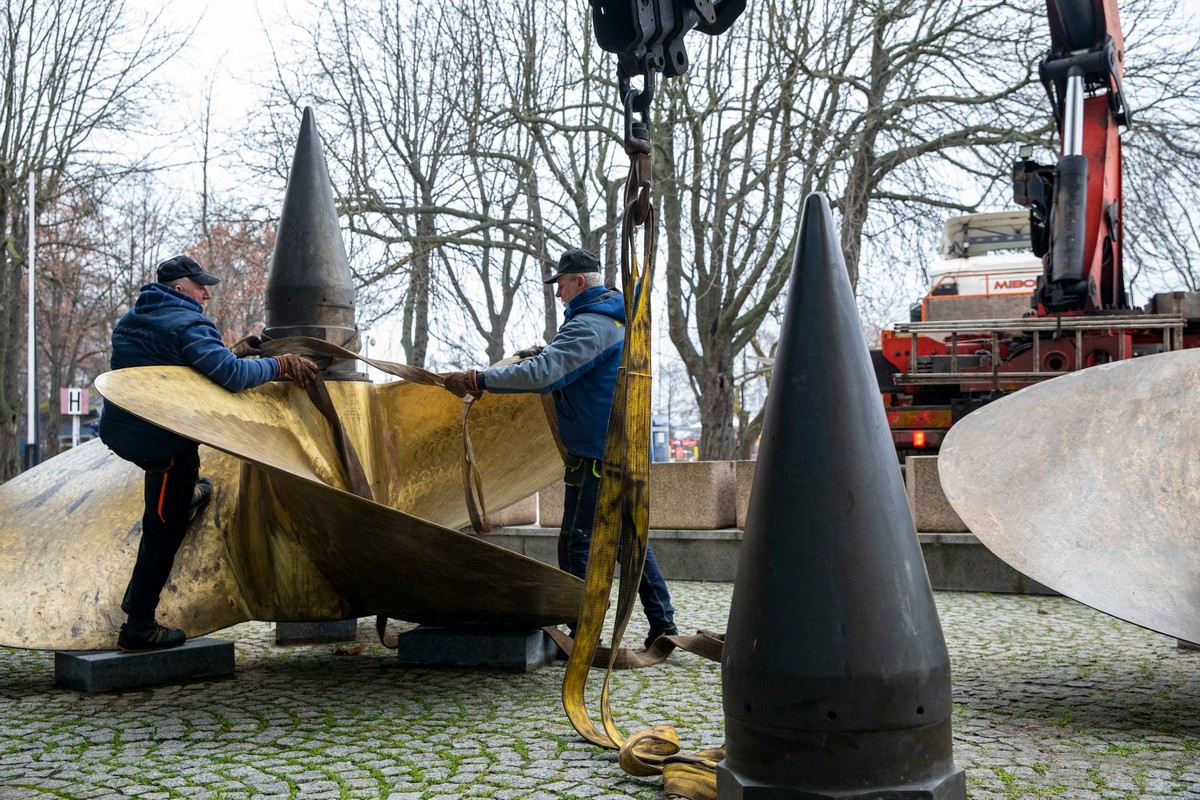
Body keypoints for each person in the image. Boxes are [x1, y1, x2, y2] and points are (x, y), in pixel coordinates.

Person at [443, 247, 677, 649]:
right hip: (619, 448)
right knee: (629, 541)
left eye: (562, 285)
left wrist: (480, 380)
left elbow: (547, 374)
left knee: (576, 543)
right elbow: (567, 365)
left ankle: (583, 632)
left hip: (596, 454)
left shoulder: (592, 324)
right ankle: (664, 625)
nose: (558, 293)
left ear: (579, 282)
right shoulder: (614, 318)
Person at [99, 255, 318, 652]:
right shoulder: (190, 324)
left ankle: (186, 497)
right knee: (162, 532)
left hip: (122, 435)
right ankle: (139, 626)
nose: (205, 294)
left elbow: (176, 368)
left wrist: (227, 351)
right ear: (179, 287)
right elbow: (233, 377)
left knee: (182, 494)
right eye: (200, 287)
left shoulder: (132, 320)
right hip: (165, 448)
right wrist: (280, 364)